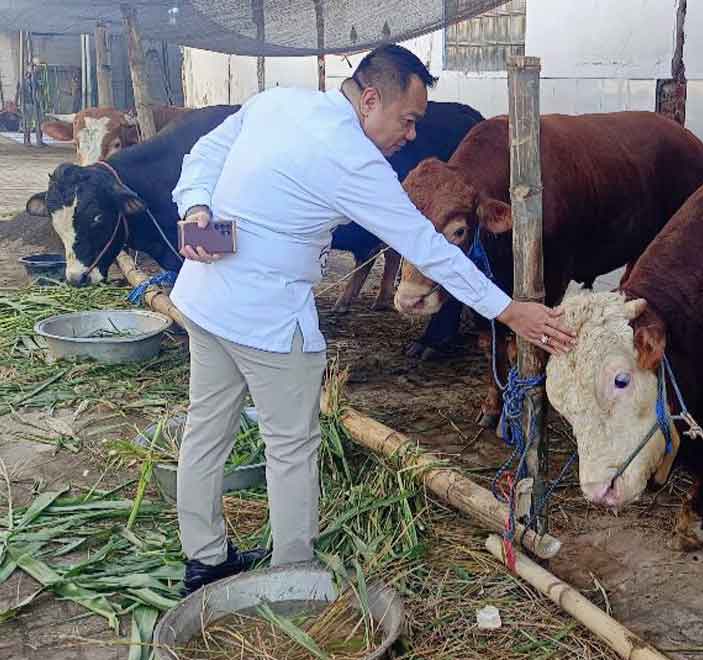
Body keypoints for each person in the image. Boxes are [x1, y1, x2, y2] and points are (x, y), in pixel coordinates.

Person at [169, 44, 576, 595]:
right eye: (407, 120)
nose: (410, 136)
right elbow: (426, 247)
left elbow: (204, 154)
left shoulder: (276, 103)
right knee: (290, 445)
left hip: (202, 300)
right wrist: (507, 309)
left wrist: (196, 209)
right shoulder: (351, 157)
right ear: (369, 99)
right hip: (267, 321)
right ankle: (292, 577)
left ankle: (206, 560)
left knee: (205, 433)